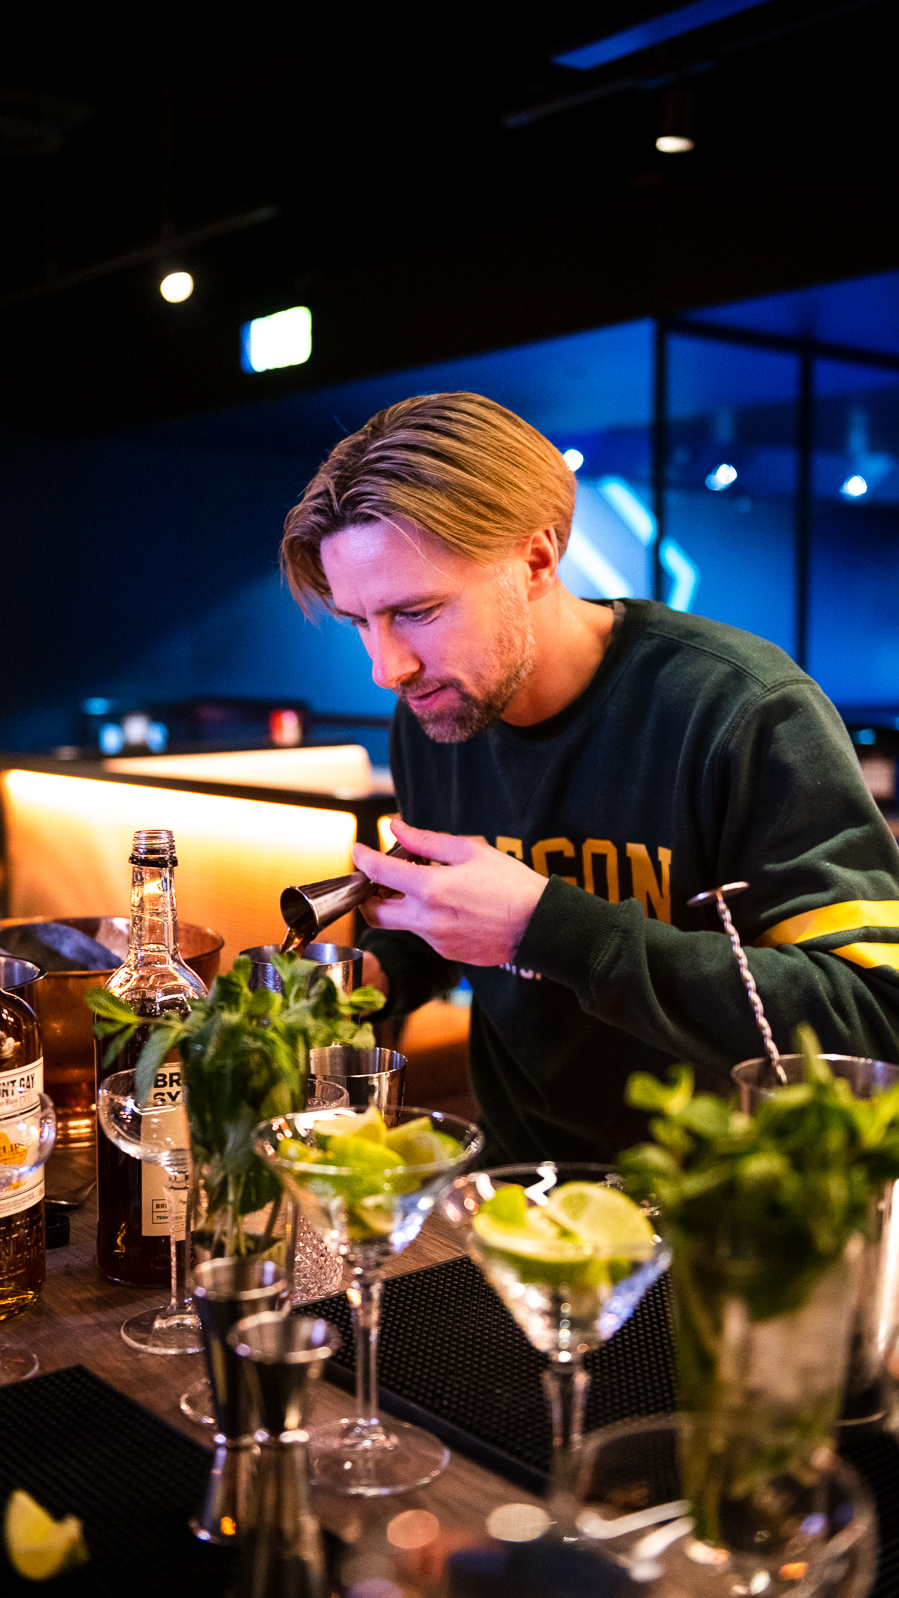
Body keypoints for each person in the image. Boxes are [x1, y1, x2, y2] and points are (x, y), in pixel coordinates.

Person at [280, 391, 899, 1163]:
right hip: (513, 1180)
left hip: (718, 1196)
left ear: (537, 560)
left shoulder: (741, 709)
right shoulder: (435, 709)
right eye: (359, 622)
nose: (386, 668)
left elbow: (873, 1018)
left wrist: (551, 929)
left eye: (418, 612)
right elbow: (466, 923)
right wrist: (382, 970)